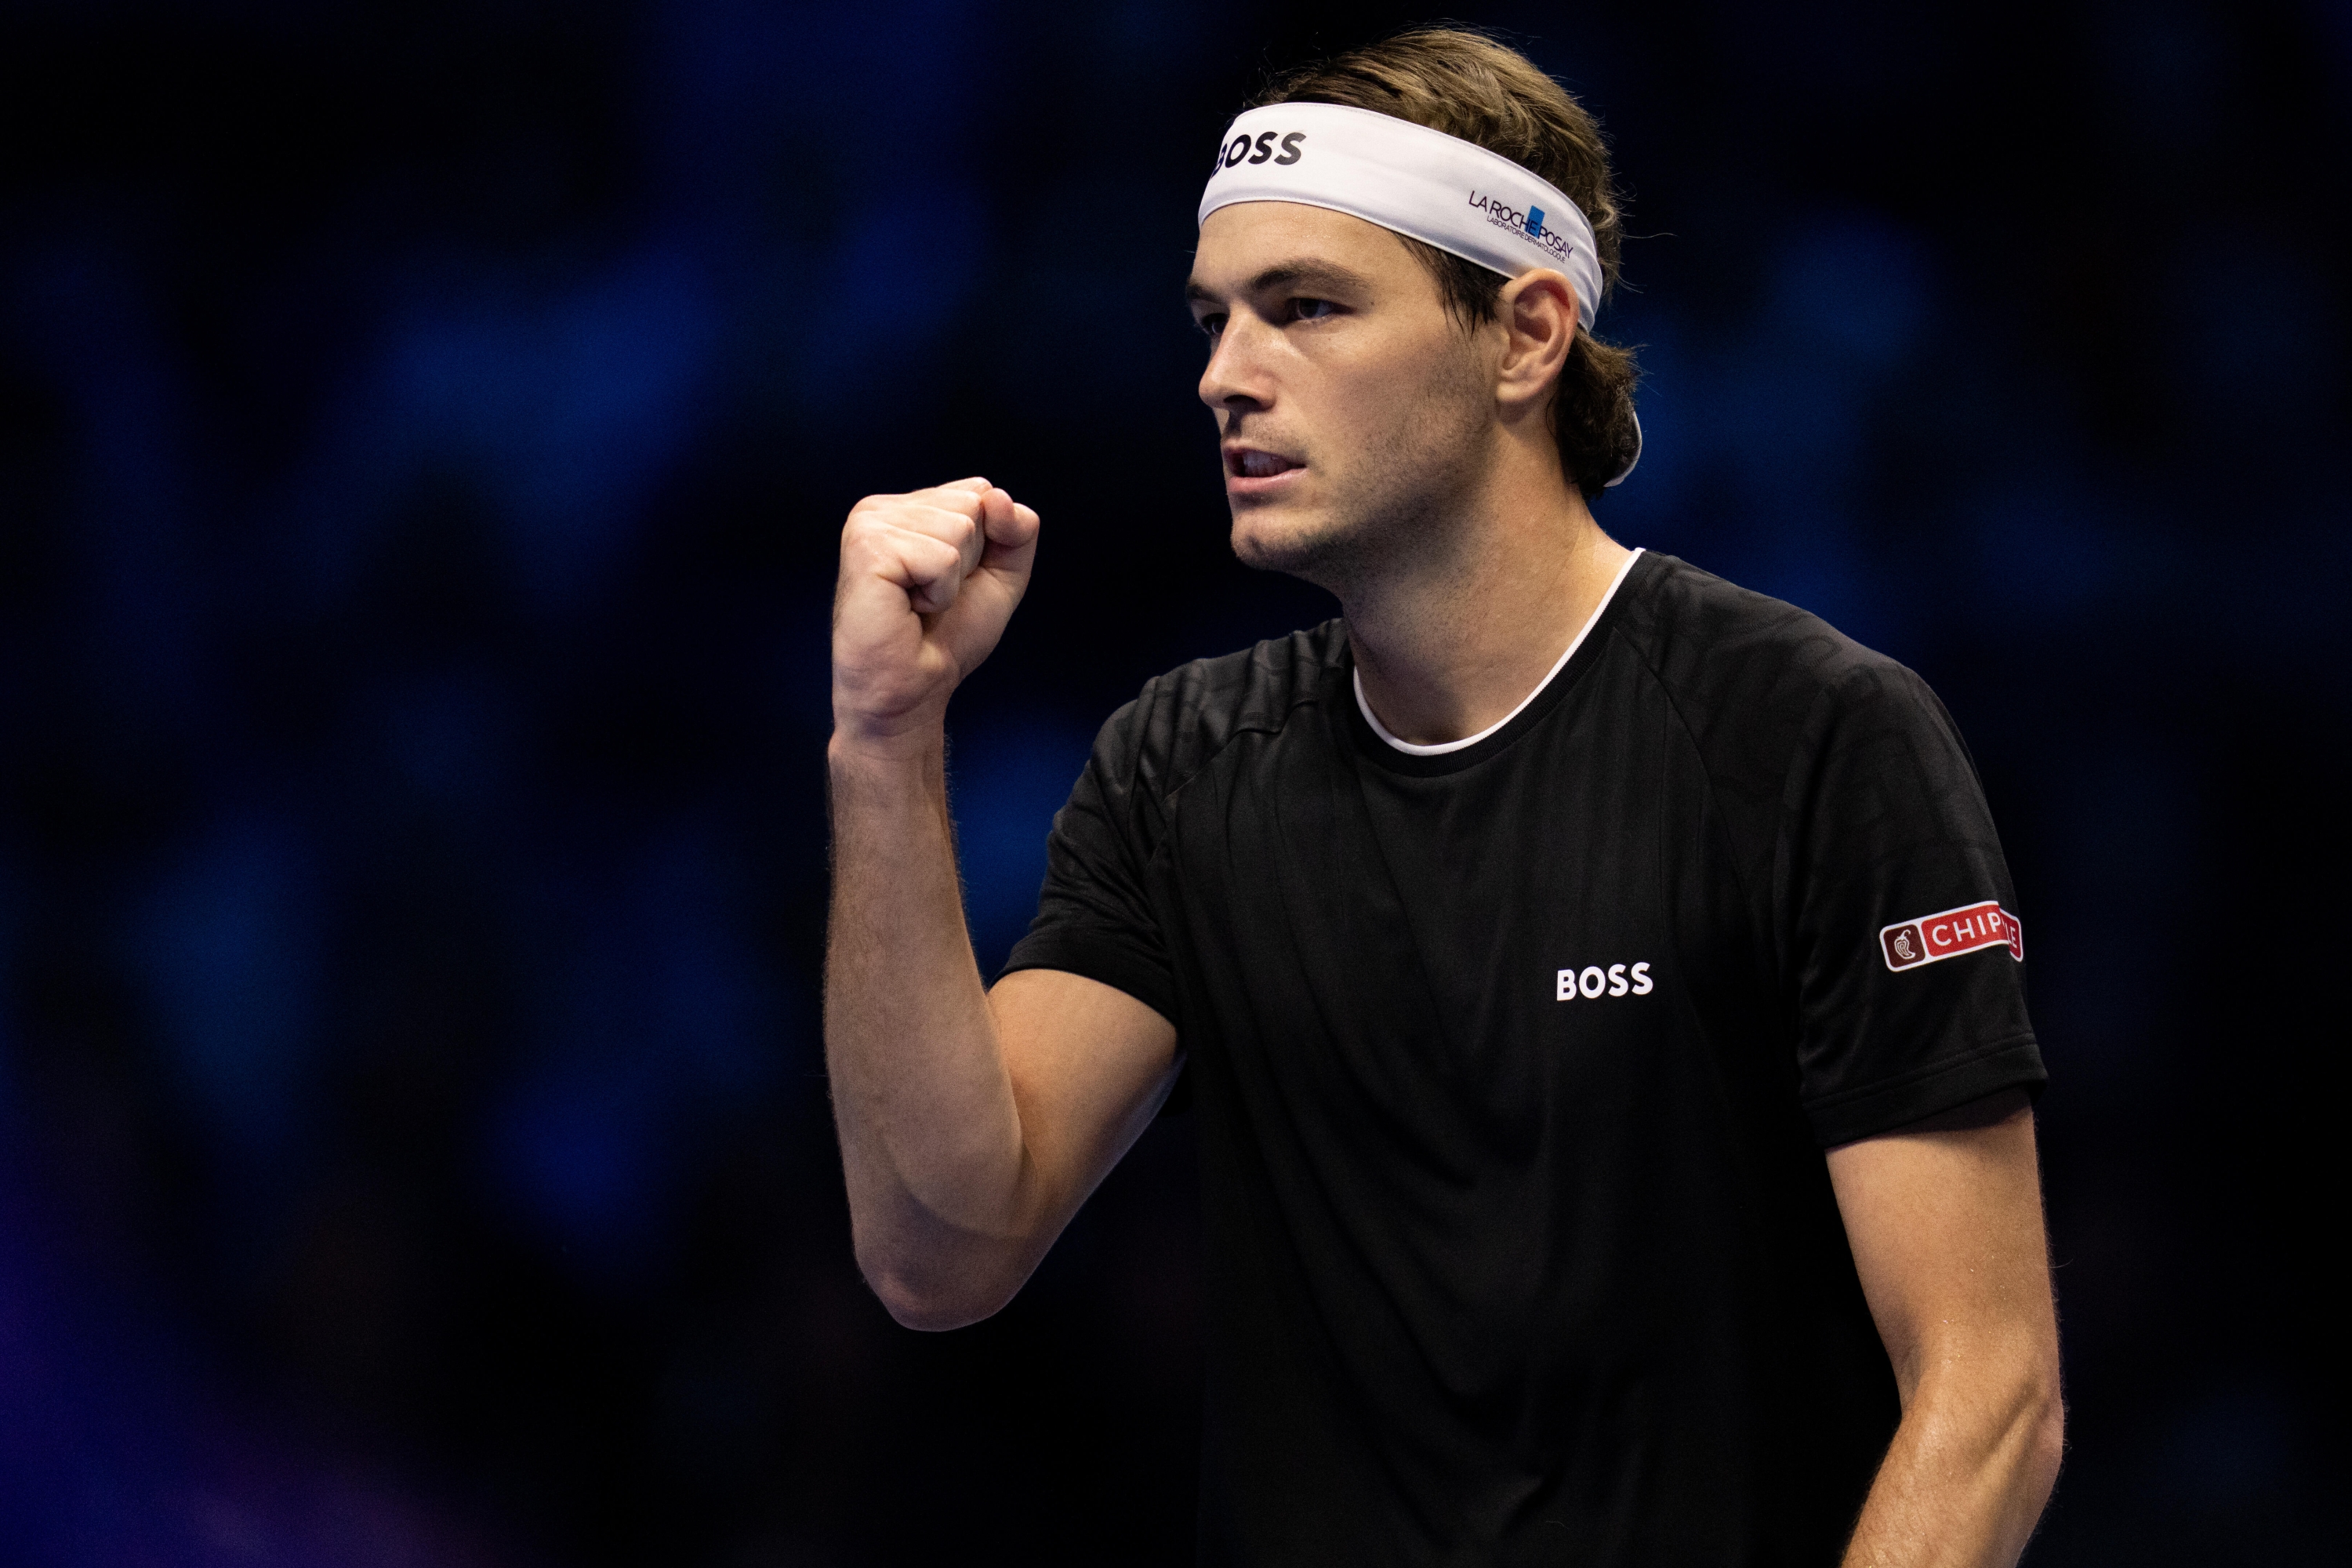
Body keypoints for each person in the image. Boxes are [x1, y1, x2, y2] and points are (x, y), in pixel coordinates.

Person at [824, 27, 2063, 1566]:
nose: (1224, 375)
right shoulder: (1180, 762)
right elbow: (944, 1246)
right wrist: (884, 733)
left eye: (1307, 309)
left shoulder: (1813, 735)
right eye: (1213, 320)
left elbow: (1991, 1385)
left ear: (1527, 334)